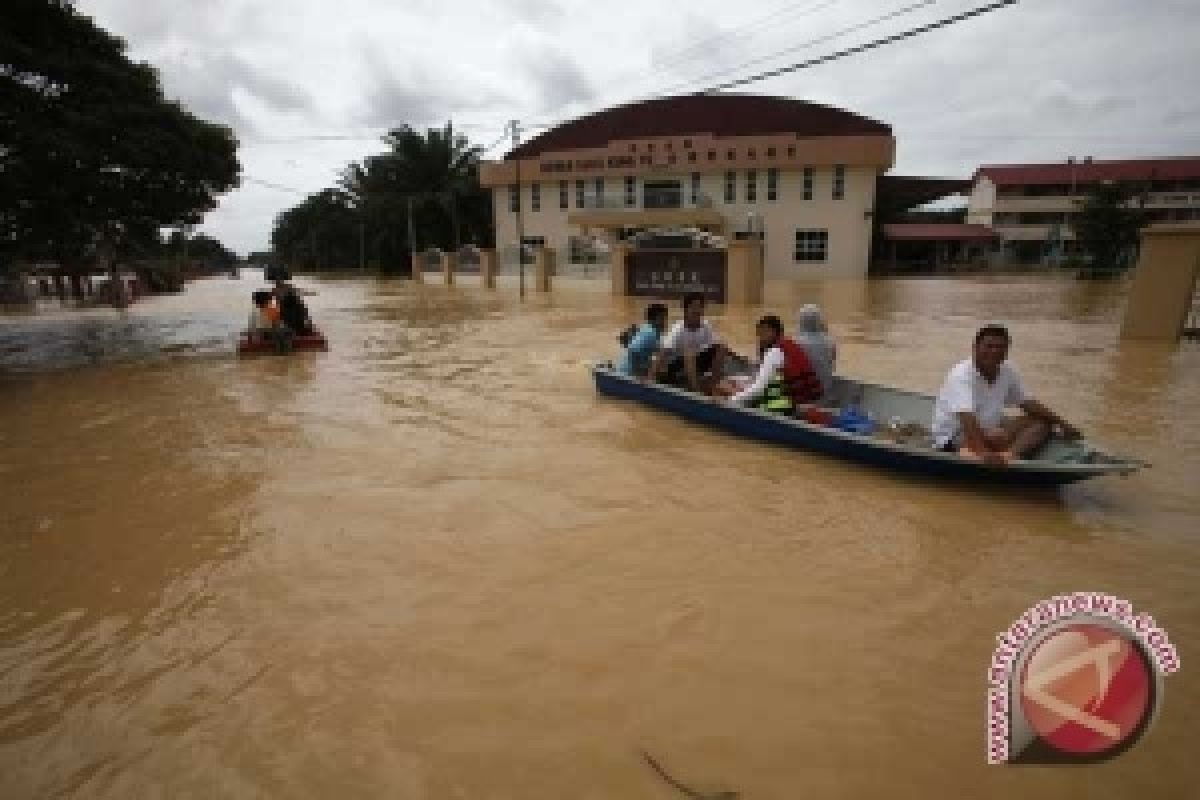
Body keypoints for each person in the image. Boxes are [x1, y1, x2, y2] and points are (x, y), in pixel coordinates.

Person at [931, 324, 1081, 464]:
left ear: (1007, 351)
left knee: (1043, 422)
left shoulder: (1008, 370)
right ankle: (989, 454)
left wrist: (1062, 423)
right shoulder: (961, 376)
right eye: (989, 346)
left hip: (990, 430)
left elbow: (1028, 403)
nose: (995, 351)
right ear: (975, 348)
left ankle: (1010, 456)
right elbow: (967, 420)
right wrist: (983, 454)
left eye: (1001, 347)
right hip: (954, 436)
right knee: (996, 437)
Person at [716, 314, 823, 413]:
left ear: (777, 332)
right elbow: (765, 380)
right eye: (759, 334)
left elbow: (758, 389)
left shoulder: (774, 352)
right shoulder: (789, 345)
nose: (761, 338)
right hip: (799, 401)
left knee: (723, 387)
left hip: (783, 406)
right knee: (734, 383)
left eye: (765, 332)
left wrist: (730, 402)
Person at [646, 292, 729, 392]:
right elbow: (662, 353)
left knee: (722, 347)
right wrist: (651, 377)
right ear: (686, 310)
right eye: (693, 307)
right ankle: (696, 391)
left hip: (696, 363)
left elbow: (715, 347)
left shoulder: (706, 326)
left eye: (700, 307)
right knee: (689, 354)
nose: (697, 310)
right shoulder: (678, 330)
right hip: (677, 368)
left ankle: (712, 385)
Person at [794, 303, 837, 399]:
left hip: (801, 401)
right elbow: (832, 367)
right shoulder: (830, 343)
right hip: (825, 397)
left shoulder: (795, 344)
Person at [617, 302, 669, 377]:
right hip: (629, 374)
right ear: (658, 319)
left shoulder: (646, 328)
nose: (666, 322)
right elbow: (633, 350)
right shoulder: (652, 333)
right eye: (665, 318)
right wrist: (642, 376)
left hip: (625, 369)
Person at [269, 268, 314, 335]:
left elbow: (302, 307)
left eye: (279, 279)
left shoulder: (289, 289)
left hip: (291, 316)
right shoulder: (275, 290)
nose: (278, 281)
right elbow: (275, 305)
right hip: (287, 314)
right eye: (276, 279)